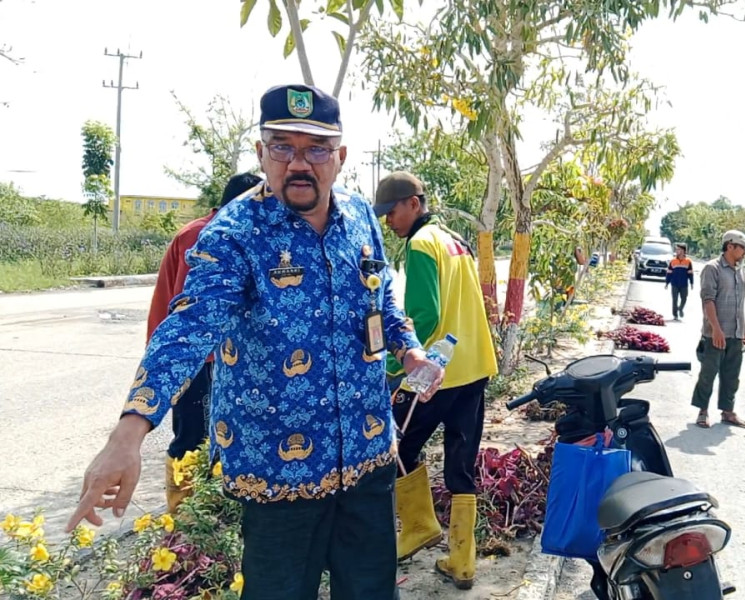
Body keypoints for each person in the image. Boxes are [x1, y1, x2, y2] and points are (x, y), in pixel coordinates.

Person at [66, 84, 443, 600]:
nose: (298, 163)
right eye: (282, 147)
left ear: (341, 158)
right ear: (262, 153)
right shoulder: (233, 233)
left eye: (315, 149)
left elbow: (382, 302)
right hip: (277, 473)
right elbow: (188, 327)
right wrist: (128, 433)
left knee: (373, 592)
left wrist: (410, 350)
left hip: (366, 455)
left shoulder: (359, 220)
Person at [374, 171, 499, 590]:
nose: (389, 222)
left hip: (436, 375)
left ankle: (419, 527)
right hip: (474, 366)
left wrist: (396, 369)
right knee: (461, 464)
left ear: (413, 203)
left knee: (397, 445)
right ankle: (462, 561)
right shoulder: (453, 239)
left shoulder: (422, 245)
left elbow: (423, 315)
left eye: (391, 212)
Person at [147, 172, 263, 513]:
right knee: (191, 436)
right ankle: (182, 519)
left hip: (220, 357)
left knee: (221, 436)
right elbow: (191, 312)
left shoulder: (234, 233)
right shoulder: (200, 235)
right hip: (191, 359)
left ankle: (211, 508)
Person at [691, 230, 745, 429]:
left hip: (735, 332)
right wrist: (716, 329)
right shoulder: (713, 268)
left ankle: (728, 411)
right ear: (730, 246)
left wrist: (743, 330)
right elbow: (708, 300)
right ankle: (702, 411)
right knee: (708, 374)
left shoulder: (740, 270)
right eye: (742, 247)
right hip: (715, 333)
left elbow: (740, 303)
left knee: (732, 375)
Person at [665, 243, 694, 320]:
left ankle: (680, 308)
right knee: (674, 299)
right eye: (676, 249)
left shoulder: (688, 262)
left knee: (684, 298)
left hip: (684, 284)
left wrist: (691, 283)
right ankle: (675, 315)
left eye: (679, 249)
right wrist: (667, 282)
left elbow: (690, 273)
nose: (677, 251)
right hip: (674, 283)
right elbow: (669, 272)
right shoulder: (673, 261)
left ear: (683, 251)